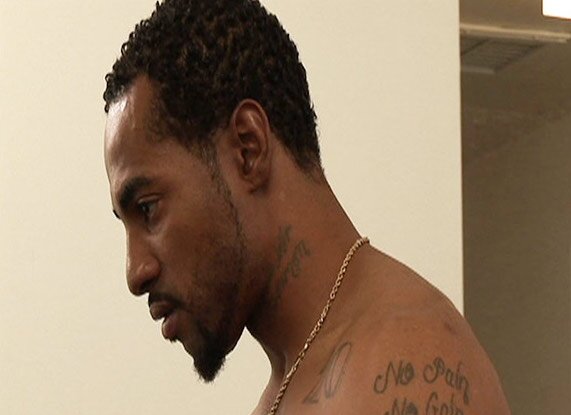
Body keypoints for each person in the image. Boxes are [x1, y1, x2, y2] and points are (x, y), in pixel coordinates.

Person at [102, 0, 511, 413]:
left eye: (148, 209)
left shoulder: (404, 365)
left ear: (247, 149)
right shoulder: (300, 376)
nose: (136, 273)